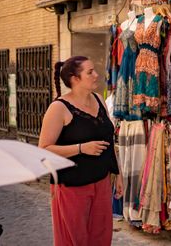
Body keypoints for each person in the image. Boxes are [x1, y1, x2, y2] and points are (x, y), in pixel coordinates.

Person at [39, 56, 123, 246]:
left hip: (101, 182)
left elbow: (108, 140)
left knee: (101, 238)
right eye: (90, 72)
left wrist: (118, 173)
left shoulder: (99, 100)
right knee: (74, 240)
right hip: (72, 187)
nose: (96, 75)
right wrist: (80, 148)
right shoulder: (58, 108)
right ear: (75, 79)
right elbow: (43, 150)